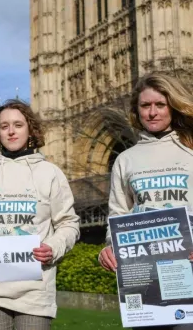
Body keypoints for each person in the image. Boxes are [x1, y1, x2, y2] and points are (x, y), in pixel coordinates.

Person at [0, 99, 80, 330]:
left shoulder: (50, 173)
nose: (11, 131)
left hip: (35, 289)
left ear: (30, 128)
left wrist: (53, 248)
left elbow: (69, 224)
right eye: (4, 126)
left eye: (18, 124)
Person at [99, 72, 193, 330]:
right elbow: (118, 214)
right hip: (144, 281)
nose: (152, 112)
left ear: (172, 106)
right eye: (145, 105)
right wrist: (108, 248)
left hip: (188, 275)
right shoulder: (126, 159)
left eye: (160, 105)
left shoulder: (190, 152)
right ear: (137, 110)